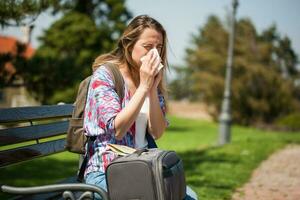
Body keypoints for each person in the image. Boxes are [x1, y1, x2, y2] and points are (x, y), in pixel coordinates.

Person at [83, 14, 197, 200]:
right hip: (106, 170)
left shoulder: (149, 79)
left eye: (158, 48)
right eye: (147, 47)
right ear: (129, 45)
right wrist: (144, 86)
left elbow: (157, 132)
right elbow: (118, 130)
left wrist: (151, 88)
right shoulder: (106, 76)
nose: (154, 54)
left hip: (143, 165)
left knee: (189, 196)